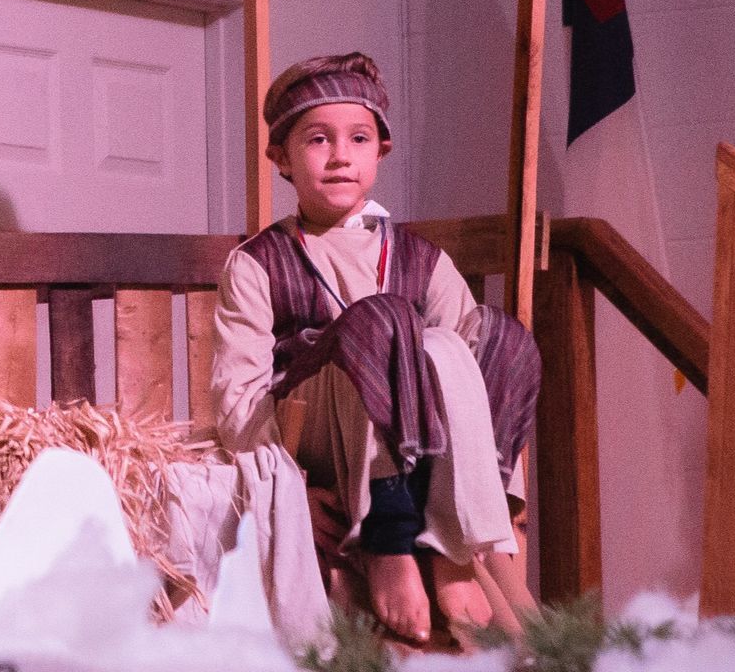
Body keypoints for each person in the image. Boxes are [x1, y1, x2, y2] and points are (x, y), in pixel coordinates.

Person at [209, 52, 540, 645]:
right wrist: (287, 489)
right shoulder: (259, 263)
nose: (340, 155)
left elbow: (471, 370)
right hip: (316, 432)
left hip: (426, 458)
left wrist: (505, 496)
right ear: (280, 157)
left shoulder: (420, 258)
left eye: (358, 138)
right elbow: (239, 405)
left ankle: (453, 539)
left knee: (498, 336)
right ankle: (388, 537)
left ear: (379, 152)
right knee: (385, 318)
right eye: (317, 139)